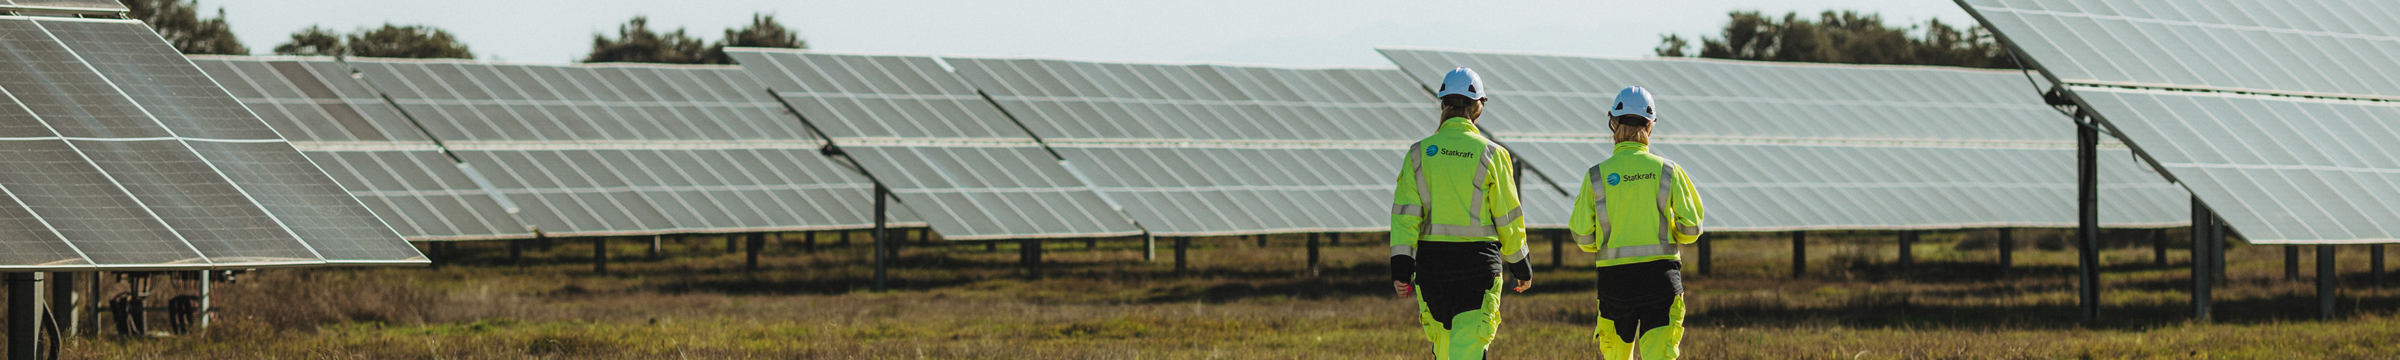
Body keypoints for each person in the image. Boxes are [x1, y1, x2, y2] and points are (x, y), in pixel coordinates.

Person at [1390, 67, 1534, 360]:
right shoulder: (1493, 154)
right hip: (1477, 270)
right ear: (1477, 106)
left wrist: (1401, 268)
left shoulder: (1419, 153)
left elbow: (1406, 216)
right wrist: (1521, 266)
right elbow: (1508, 218)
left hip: (1432, 271)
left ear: (1442, 103)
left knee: (1443, 352)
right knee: (1466, 352)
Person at [1571, 86, 1705, 359]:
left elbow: (1583, 236)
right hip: (1660, 280)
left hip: (1614, 282)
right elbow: (1691, 228)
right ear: (1650, 124)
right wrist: (1671, 232)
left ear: (1613, 122)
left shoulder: (1597, 175)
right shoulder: (1668, 171)